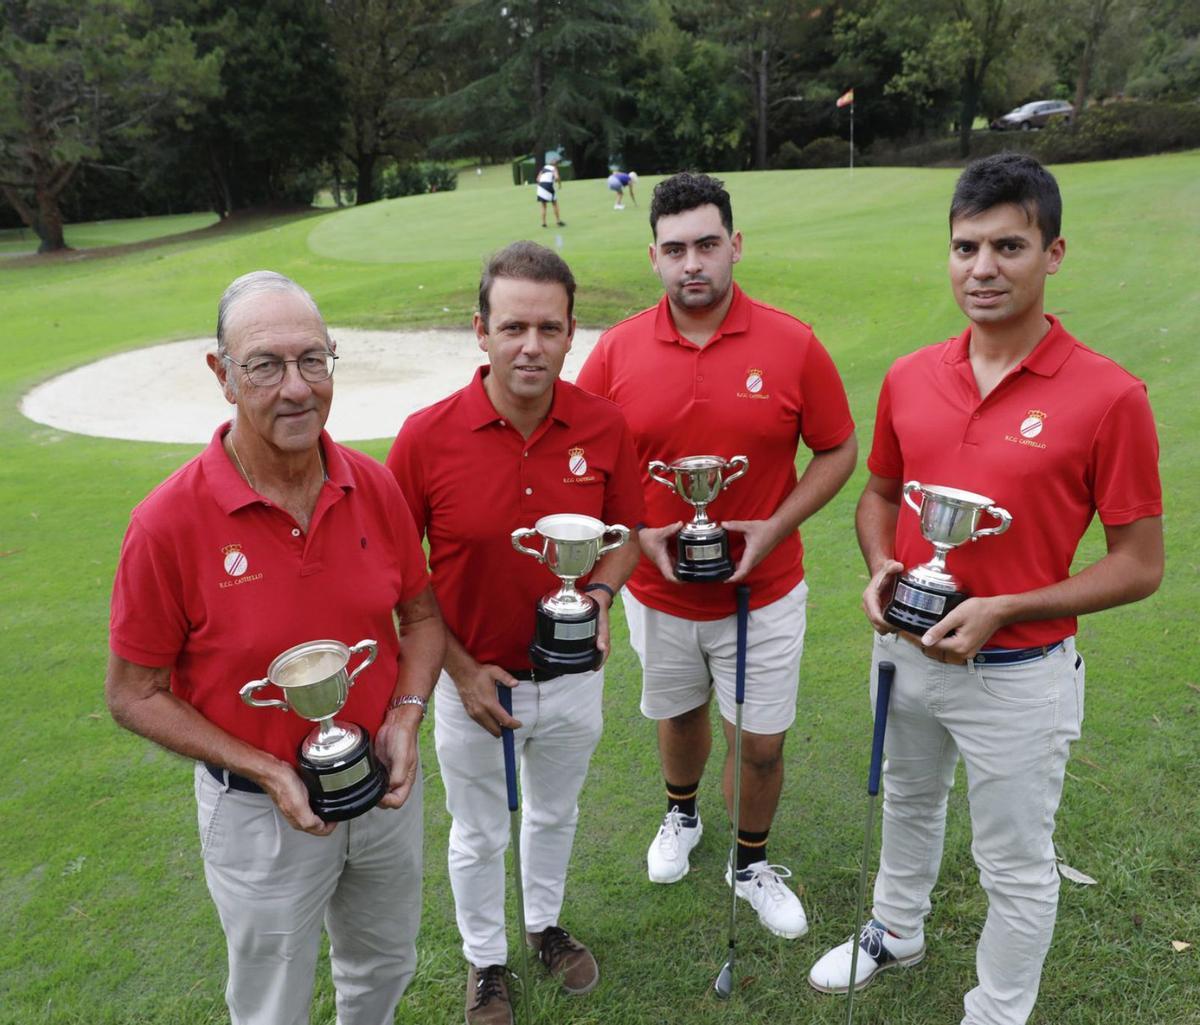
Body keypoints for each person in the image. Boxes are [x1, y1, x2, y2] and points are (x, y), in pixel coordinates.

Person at [807, 154, 1164, 1025]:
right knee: (908, 802)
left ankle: (998, 1010)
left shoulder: (1110, 395)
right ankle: (897, 927)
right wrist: (883, 567)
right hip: (907, 648)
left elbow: (1139, 562)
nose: (984, 268)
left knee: (1013, 860)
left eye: (1009, 245)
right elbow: (882, 495)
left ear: (1054, 252)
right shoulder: (909, 374)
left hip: (1019, 672)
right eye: (966, 247)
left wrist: (1007, 606)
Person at [105, 271, 445, 1025]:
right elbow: (132, 692)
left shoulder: (373, 484)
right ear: (222, 376)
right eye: (264, 364)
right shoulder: (167, 522)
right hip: (259, 816)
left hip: (383, 786)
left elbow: (421, 617)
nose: (296, 388)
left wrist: (408, 714)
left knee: (384, 964)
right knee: (272, 1004)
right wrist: (266, 768)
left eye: (312, 360)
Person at [576, 172, 858, 939]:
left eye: (706, 244)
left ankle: (753, 860)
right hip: (660, 592)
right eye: (674, 249)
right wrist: (637, 539)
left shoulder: (793, 343)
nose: (691, 262)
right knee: (678, 712)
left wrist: (773, 525)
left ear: (735, 245)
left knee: (761, 742)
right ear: (654, 257)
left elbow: (837, 449)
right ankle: (682, 814)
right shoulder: (616, 351)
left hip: (764, 587)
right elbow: (588, 466)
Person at [387, 242, 644, 1025]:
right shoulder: (425, 437)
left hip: (572, 679)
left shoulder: (604, 425)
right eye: (512, 327)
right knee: (477, 831)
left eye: (548, 328)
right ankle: (485, 960)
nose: (530, 346)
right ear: (481, 330)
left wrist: (598, 594)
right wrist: (459, 672)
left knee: (556, 812)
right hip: (475, 685)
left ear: (572, 333)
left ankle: (542, 925)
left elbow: (628, 531)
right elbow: (400, 581)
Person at [535, 155, 565, 229]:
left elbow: (538, 179)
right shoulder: (554, 168)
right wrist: (559, 184)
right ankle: (558, 221)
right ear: (556, 164)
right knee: (554, 203)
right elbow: (557, 177)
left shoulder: (544, 168)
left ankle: (544, 223)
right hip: (548, 186)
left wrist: (541, 186)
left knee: (543, 206)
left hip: (540, 187)